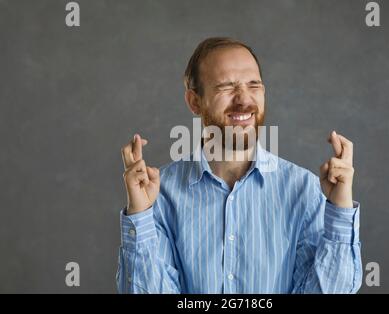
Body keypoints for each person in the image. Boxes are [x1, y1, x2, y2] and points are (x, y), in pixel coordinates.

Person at [116, 37, 362, 293]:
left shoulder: (304, 189)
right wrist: (140, 215)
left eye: (253, 85)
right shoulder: (159, 195)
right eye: (226, 86)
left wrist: (340, 212)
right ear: (194, 102)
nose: (244, 100)